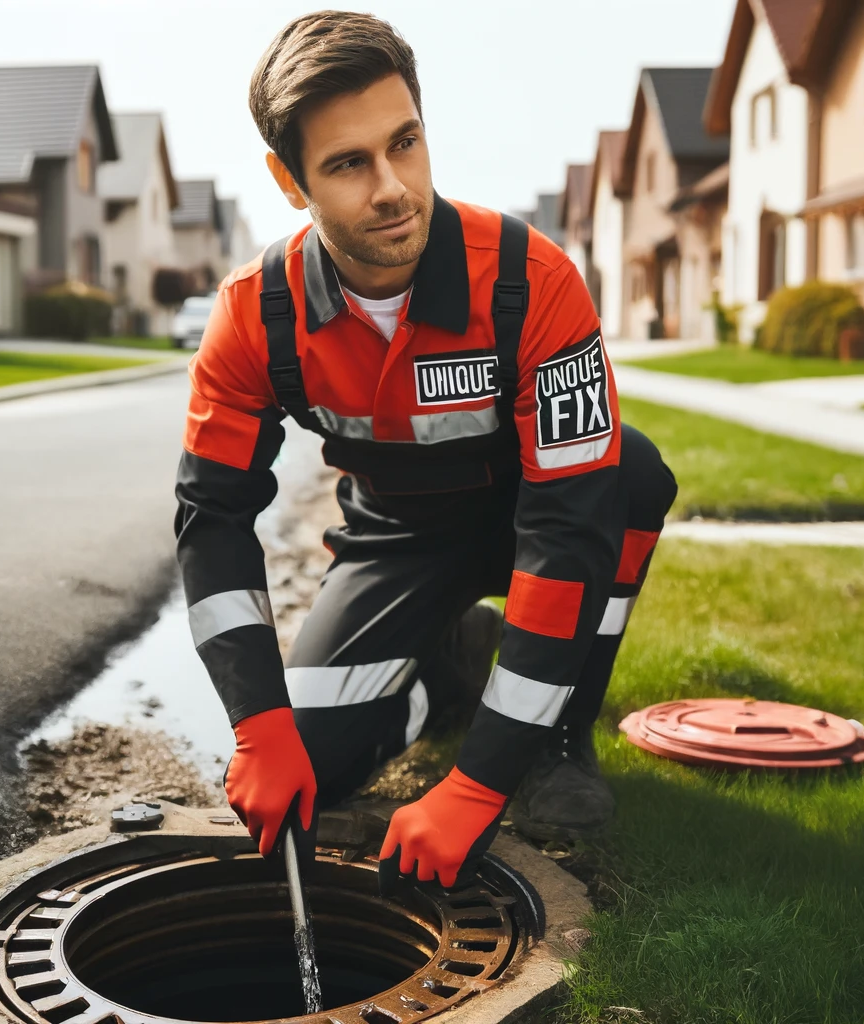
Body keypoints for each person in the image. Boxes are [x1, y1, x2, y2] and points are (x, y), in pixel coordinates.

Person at [175, 9, 677, 891]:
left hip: (534, 521)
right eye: (347, 163)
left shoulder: (533, 281)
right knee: (315, 765)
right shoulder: (256, 313)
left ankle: (559, 735)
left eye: (404, 142)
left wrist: (479, 785)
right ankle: (453, 669)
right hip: (395, 537)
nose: (393, 187)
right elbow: (211, 517)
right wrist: (258, 724)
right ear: (289, 181)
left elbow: (568, 535)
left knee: (628, 478)